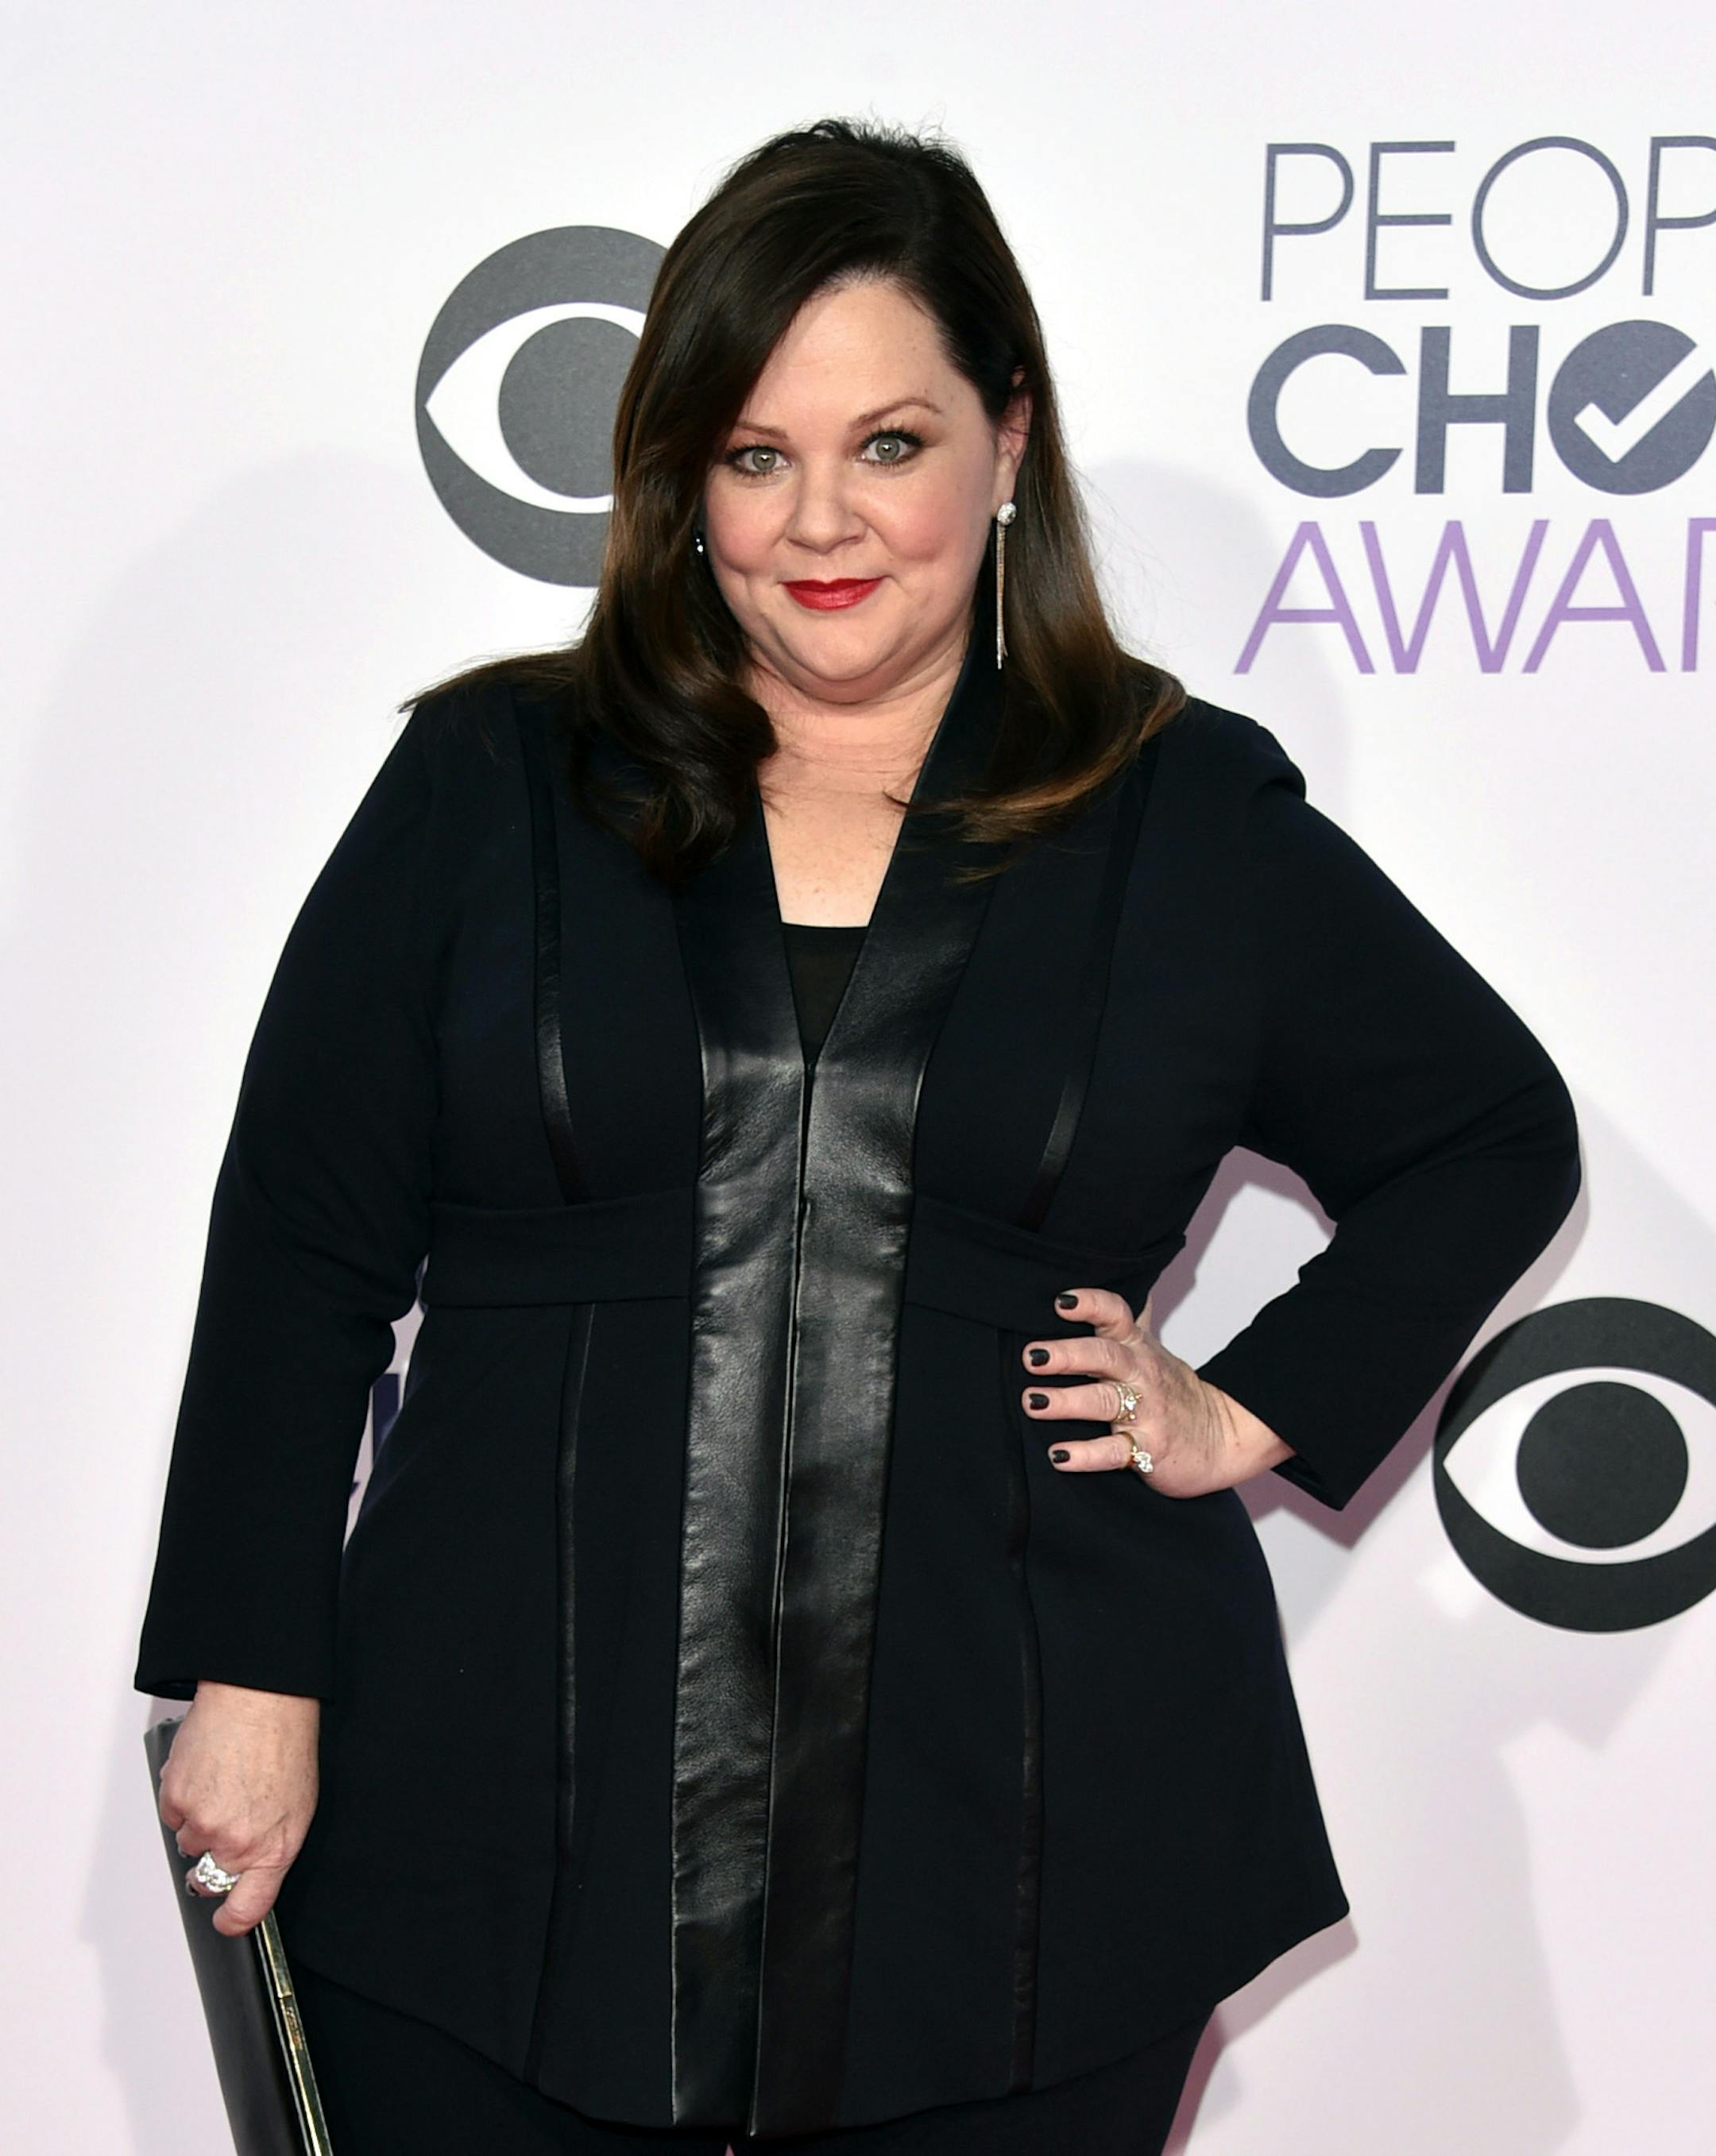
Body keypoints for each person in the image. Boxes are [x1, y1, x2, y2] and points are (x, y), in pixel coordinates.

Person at [135, 117, 1582, 2154]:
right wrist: (254, 1672)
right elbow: (300, 1241)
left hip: (1033, 1871)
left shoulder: (1183, 820)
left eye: (890, 443)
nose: (823, 518)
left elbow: (1492, 1134)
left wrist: (1248, 1405)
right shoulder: (490, 786)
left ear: (1006, 443)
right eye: (755, 453)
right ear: (681, 479)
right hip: (476, 1843)